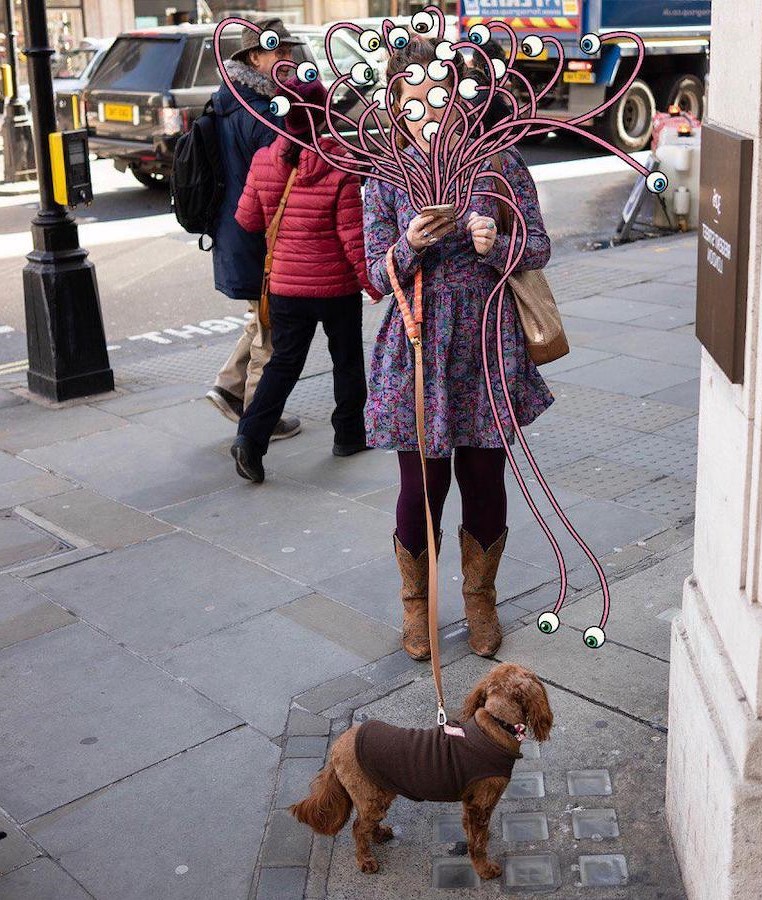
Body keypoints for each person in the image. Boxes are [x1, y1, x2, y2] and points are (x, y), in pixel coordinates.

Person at [363, 37, 554, 660]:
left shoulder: (498, 163)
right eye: (412, 100)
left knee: (483, 474)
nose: (427, 112)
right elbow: (372, 273)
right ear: (394, 102)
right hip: (418, 343)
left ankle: (480, 599)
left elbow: (540, 248)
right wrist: (410, 244)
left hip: (486, 339)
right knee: (419, 484)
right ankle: (416, 606)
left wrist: (495, 241)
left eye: (438, 99)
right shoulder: (385, 175)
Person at [229, 76, 383, 483]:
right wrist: (373, 283)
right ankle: (349, 434)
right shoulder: (340, 164)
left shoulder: (265, 159)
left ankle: (250, 438)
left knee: (283, 364)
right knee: (346, 359)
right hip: (336, 288)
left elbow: (246, 219)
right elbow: (353, 237)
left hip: (285, 286)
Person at [204, 17, 302, 441]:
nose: (287, 59)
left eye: (288, 52)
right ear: (254, 58)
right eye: (277, 52)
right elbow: (285, 175)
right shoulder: (261, 113)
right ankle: (259, 418)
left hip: (232, 230)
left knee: (261, 318)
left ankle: (229, 386)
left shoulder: (226, 100)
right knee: (272, 327)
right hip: (258, 235)